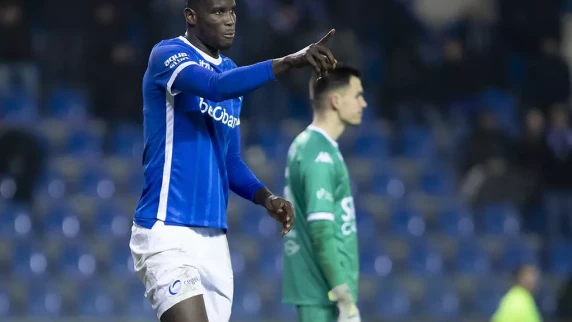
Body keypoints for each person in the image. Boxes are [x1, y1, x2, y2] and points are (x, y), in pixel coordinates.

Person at [128, 0, 339, 321]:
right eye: (218, 12)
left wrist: (266, 198)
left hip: (214, 241)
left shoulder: (231, 74)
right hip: (167, 228)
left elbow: (229, 159)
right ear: (191, 17)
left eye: (232, 11)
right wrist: (287, 62)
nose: (229, 20)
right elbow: (214, 88)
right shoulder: (169, 56)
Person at [282, 65, 367, 322]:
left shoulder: (311, 146)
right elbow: (320, 230)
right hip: (324, 293)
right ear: (336, 101)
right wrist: (342, 294)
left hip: (323, 291)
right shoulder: (318, 154)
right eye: (357, 95)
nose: (363, 103)